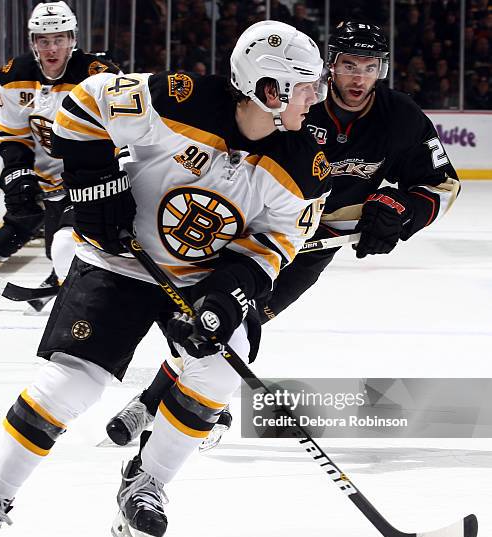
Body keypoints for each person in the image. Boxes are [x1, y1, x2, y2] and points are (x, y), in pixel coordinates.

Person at [0, 20, 331, 537]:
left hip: (200, 280)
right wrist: (95, 191)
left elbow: (278, 241)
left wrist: (229, 294)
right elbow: (84, 103)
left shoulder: (307, 164)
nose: (317, 97)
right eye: (308, 86)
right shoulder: (179, 99)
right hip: (118, 261)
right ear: (270, 90)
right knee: (69, 385)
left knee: (219, 369)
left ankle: (146, 480)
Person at [106, 21, 460, 451]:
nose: (358, 77)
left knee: (236, 319)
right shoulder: (297, 101)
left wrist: (400, 211)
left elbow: (441, 183)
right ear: (331, 67)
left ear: (382, 70)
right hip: (250, 229)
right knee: (214, 313)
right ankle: (178, 406)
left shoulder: (399, 118)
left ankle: (154, 403)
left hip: (312, 246)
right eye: (349, 65)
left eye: (369, 66)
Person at [0, 1, 118, 313]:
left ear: (73, 39)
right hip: (44, 172)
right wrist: (18, 171)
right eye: (44, 40)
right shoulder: (15, 75)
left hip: (88, 175)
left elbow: (120, 133)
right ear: (33, 42)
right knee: (20, 222)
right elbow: (13, 134)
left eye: (59, 38)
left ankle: (64, 288)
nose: (51, 48)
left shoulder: (97, 76)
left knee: (66, 242)